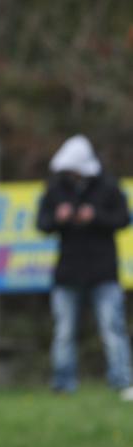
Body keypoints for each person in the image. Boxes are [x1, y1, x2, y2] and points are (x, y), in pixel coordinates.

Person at [36, 134, 133, 400]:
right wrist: (59, 218)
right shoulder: (56, 189)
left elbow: (124, 218)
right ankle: (63, 384)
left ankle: (122, 381)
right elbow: (42, 223)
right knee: (64, 332)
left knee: (112, 328)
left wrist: (96, 217)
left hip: (103, 271)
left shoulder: (109, 187)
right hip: (68, 273)